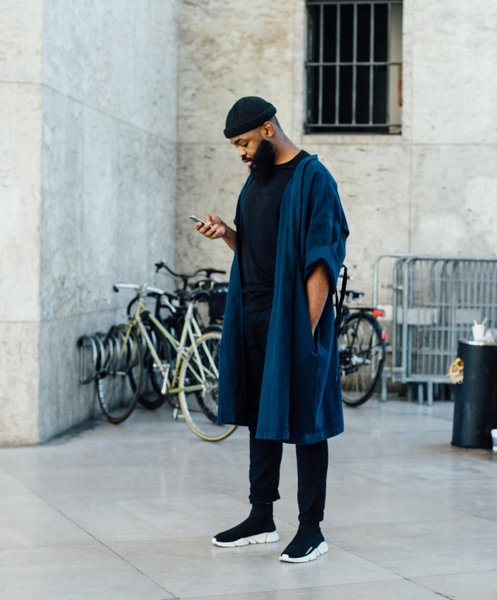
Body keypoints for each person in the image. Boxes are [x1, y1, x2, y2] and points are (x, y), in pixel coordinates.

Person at [194, 96, 349, 563]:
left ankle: (311, 528)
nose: (240, 153)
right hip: (253, 316)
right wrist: (227, 235)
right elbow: (258, 249)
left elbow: (321, 258)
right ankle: (261, 516)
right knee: (261, 419)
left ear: (267, 130)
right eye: (234, 147)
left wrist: (306, 331)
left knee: (307, 422)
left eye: (243, 143)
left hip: (296, 320)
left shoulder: (313, 178)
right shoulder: (253, 184)